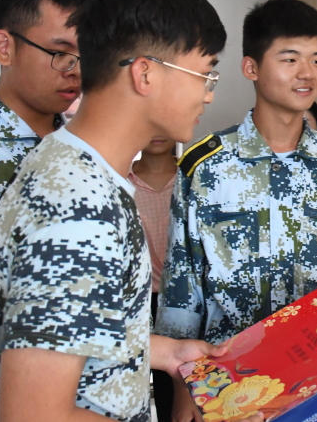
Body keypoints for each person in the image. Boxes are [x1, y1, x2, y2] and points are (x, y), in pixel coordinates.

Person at [0, 0, 262, 422]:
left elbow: (65, 329)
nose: (208, 96)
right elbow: (35, 415)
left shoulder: (75, 169)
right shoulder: (78, 207)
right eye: (204, 74)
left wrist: (166, 352)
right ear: (145, 73)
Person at [156, 0, 317, 422]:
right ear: (251, 68)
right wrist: (181, 383)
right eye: (290, 59)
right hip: (228, 383)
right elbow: (182, 284)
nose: (307, 73)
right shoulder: (206, 167)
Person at [0, 0, 88, 419]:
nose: (75, 71)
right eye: (60, 53)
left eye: (85, 55)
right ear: (5, 47)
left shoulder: (84, 151)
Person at [128, 136, 179, 421]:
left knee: (179, 387)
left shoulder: (194, 176)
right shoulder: (120, 179)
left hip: (184, 299)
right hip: (137, 300)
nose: (157, 134)